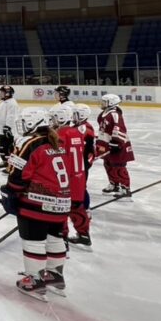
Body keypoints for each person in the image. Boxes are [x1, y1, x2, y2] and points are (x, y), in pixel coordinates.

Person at [1, 107, 71, 298]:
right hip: (63, 202)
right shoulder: (58, 141)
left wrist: (11, 192)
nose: (21, 125)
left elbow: (18, 175)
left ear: (33, 123)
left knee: (34, 241)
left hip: (36, 204)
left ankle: (35, 279)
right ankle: (54, 275)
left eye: (24, 121)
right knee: (55, 238)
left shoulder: (29, 143)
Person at [50, 103, 92, 248]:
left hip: (66, 178)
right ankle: (84, 234)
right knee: (77, 207)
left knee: (60, 209)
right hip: (79, 176)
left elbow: (58, 156)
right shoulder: (76, 132)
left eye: (55, 118)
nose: (53, 121)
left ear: (61, 118)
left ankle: (62, 239)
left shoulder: (61, 134)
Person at [67, 104, 97, 245]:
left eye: (75, 114)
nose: (73, 117)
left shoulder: (85, 129)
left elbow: (89, 150)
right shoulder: (80, 127)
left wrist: (85, 165)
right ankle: (84, 209)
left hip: (80, 167)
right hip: (79, 166)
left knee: (80, 189)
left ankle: (85, 209)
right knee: (80, 189)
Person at [96, 93, 134, 197]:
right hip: (107, 145)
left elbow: (119, 128)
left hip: (117, 146)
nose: (102, 103)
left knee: (119, 166)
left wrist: (116, 142)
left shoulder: (115, 114)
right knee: (108, 164)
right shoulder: (104, 113)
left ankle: (125, 188)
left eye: (104, 102)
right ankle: (114, 184)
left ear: (111, 103)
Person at [0, 85, 19, 169]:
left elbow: (12, 116)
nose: (0, 94)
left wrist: (8, 127)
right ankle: (5, 161)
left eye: (2, 92)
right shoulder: (3, 102)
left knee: (7, 147)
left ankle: (10, 165)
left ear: (7, 93)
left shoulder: (12, 103)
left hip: (5, 131)